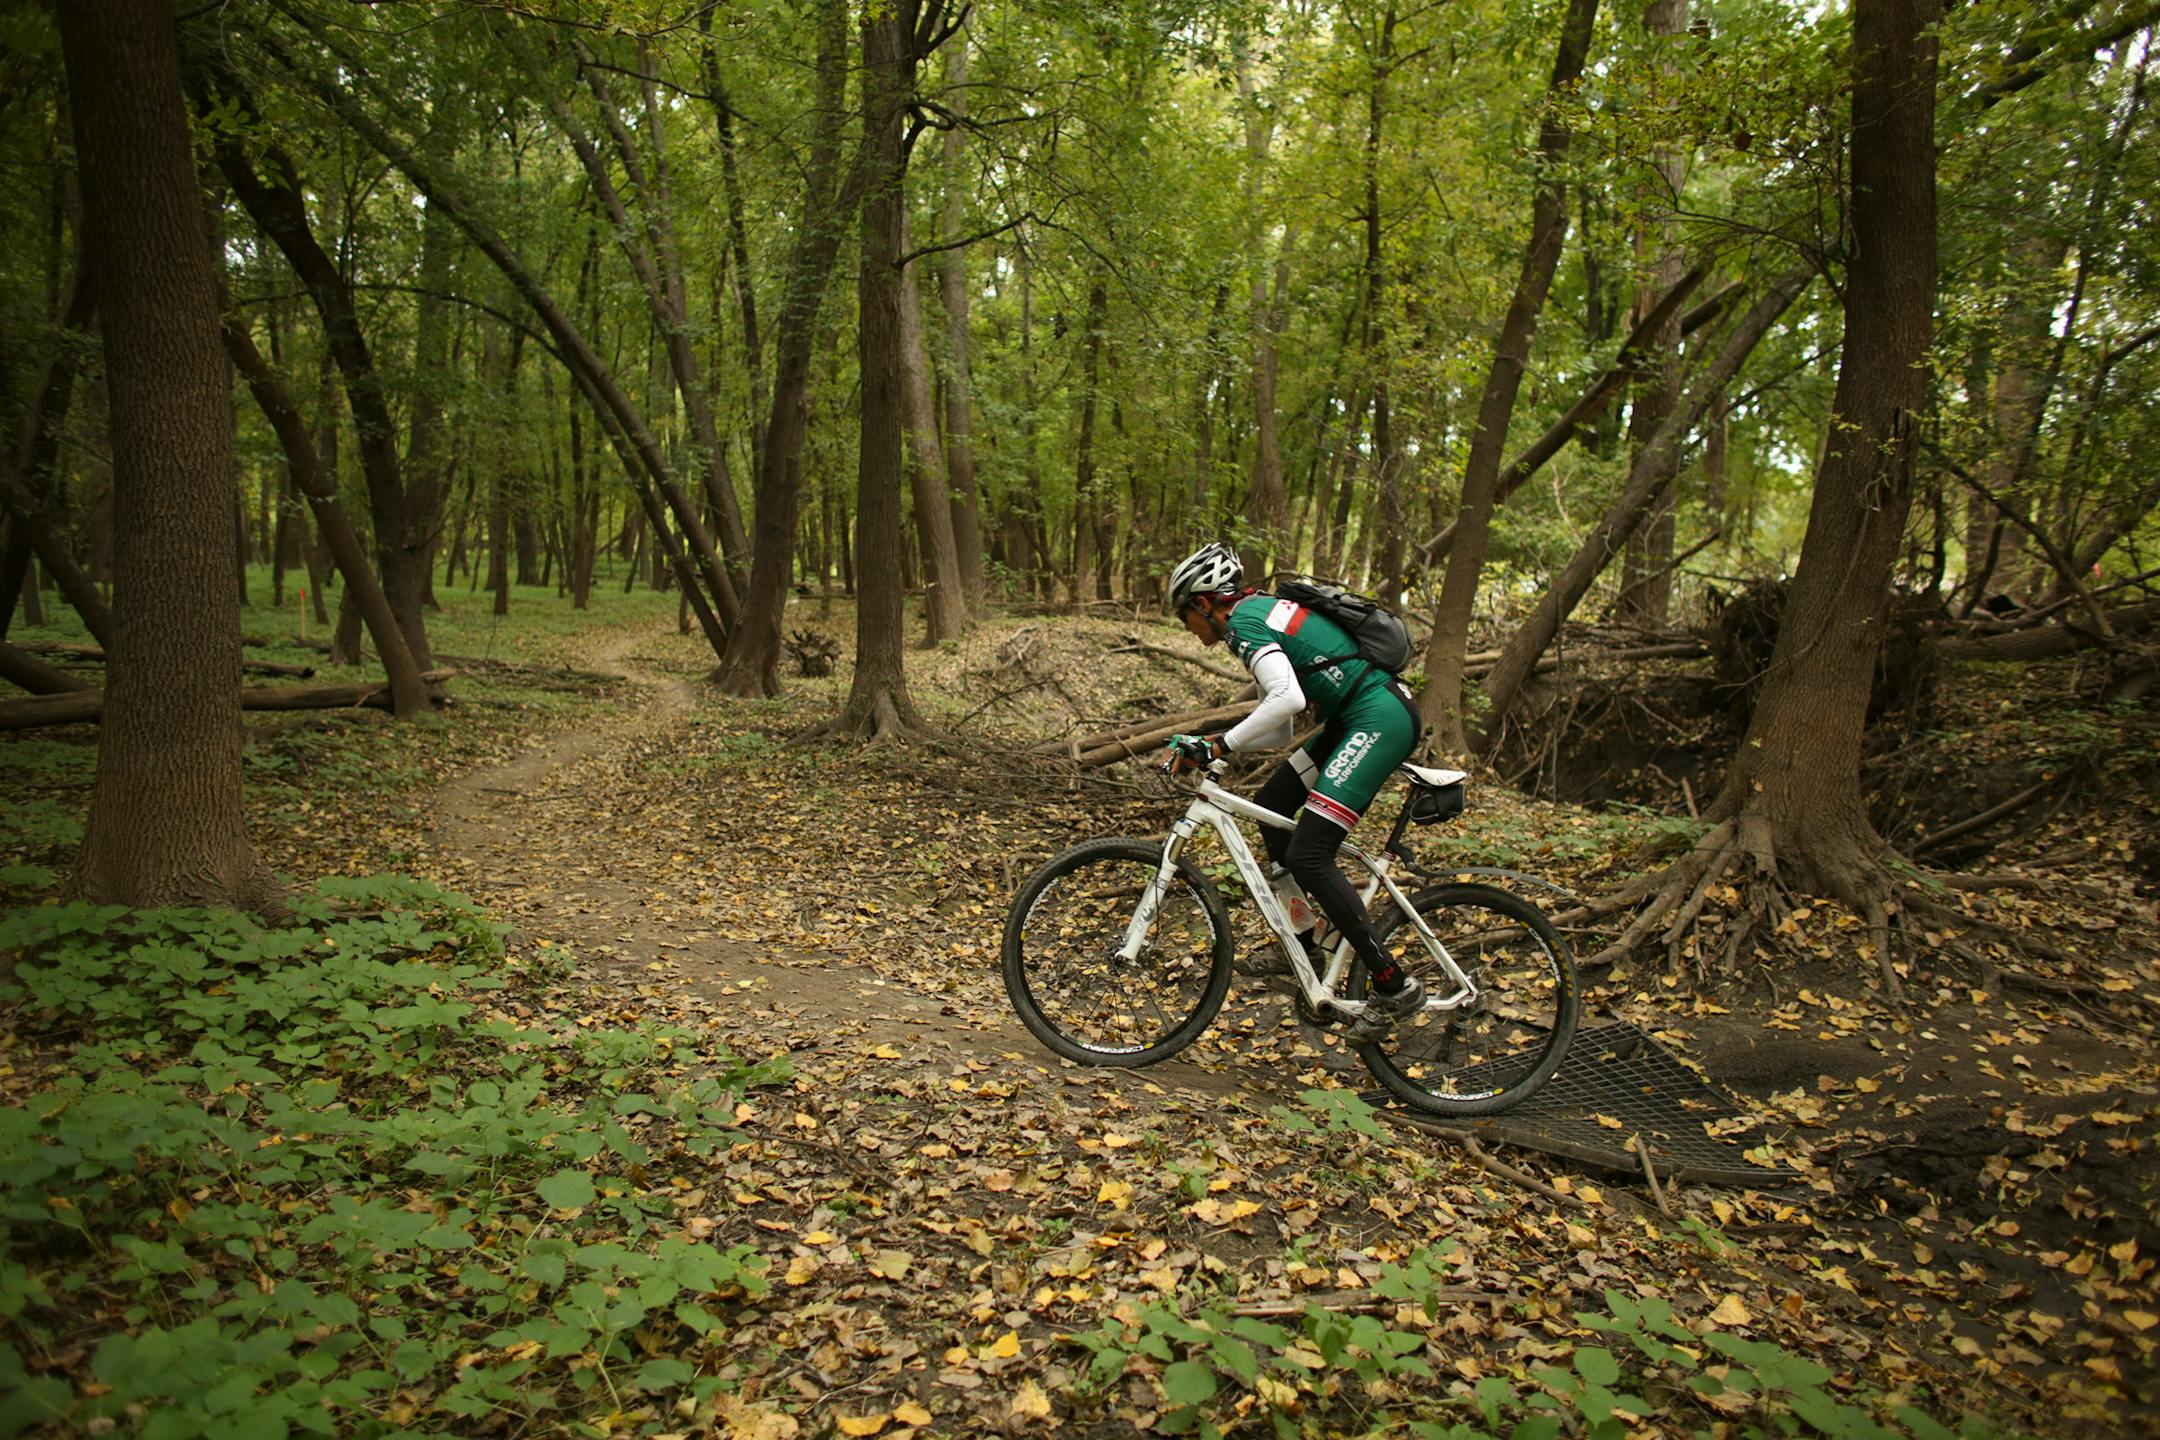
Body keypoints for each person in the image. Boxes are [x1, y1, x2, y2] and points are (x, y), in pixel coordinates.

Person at [1160, 541, 1425, 1022]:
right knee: (1273, 807)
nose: (1188, 628)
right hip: (1354, 718)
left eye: (1185, 617)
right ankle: (1303, 944)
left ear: (1202, 603)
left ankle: (1392, 982)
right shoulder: (1258, 612)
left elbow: (1287, 700)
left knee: (1309, 853)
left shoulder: (1243, 623)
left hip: (1378, 717)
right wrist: (1216, 742)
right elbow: (1281, 726)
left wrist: (1219, 747)